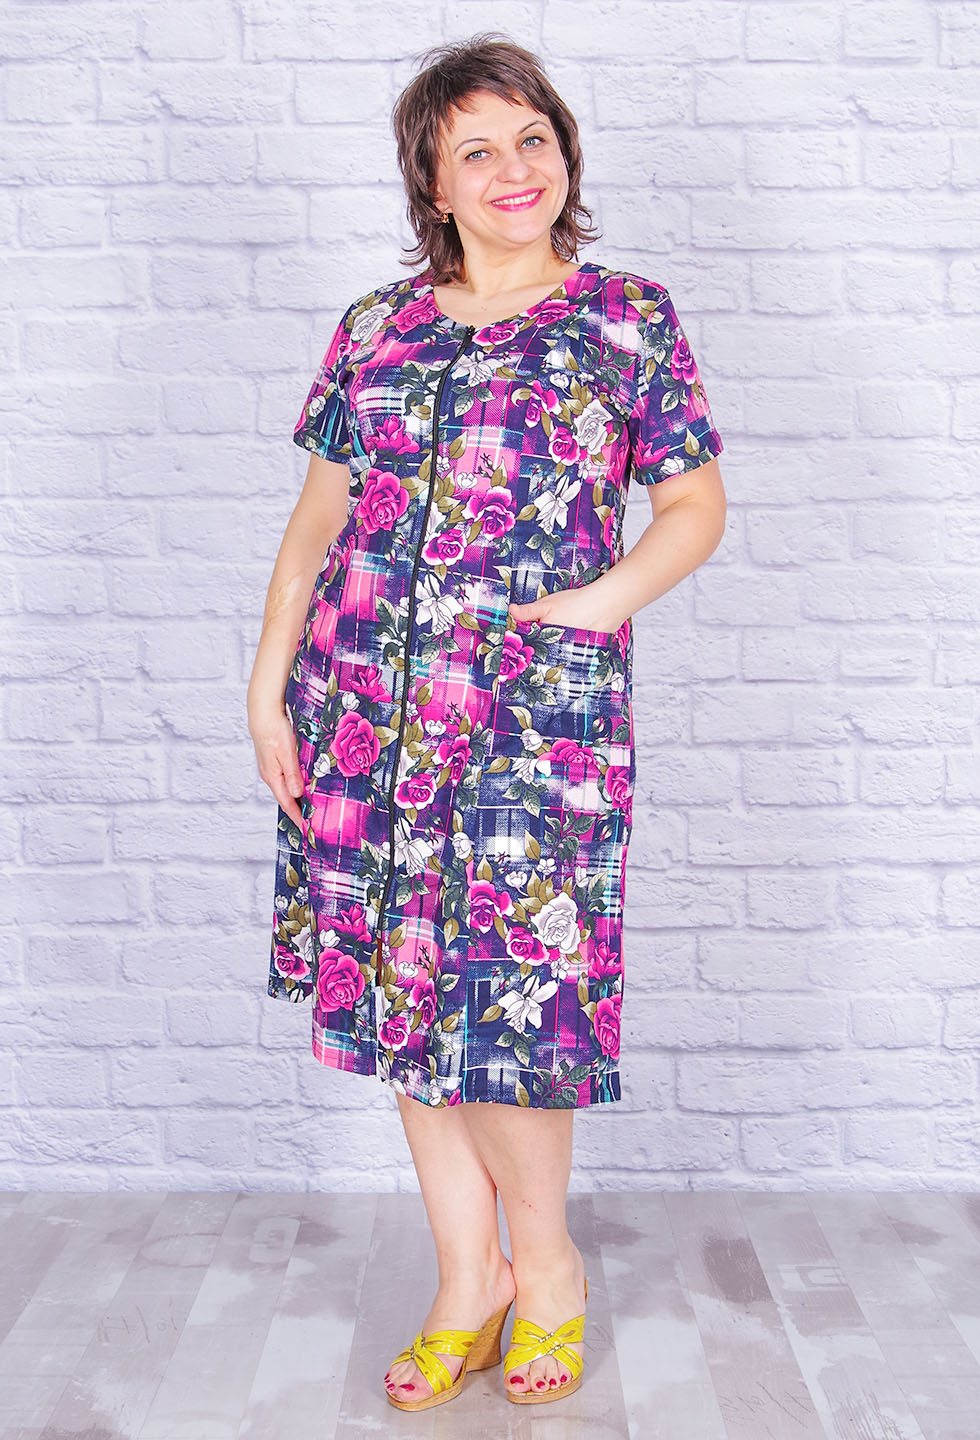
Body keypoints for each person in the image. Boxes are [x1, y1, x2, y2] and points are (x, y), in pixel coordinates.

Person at [247, 32, 726, 1413]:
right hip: (362, 712)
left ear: (563, 154)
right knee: (407, 996)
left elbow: (693, 506)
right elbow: (319, 519)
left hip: (533, 724)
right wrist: (268, 683)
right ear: (434, 183)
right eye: (477, 149)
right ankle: (470, 1279)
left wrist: (594, 605)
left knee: (512, 1004)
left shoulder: (627, 317)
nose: (515, 169)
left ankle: (549, 1268)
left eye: (533, 139)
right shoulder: (374, 327)